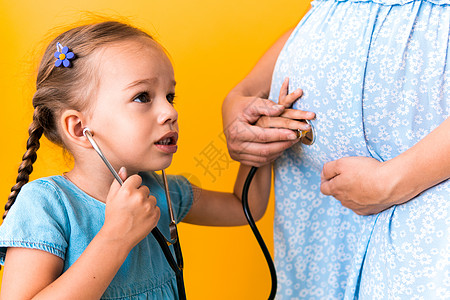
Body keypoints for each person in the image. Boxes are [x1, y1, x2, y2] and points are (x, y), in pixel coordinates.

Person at [0, 20, 304, 299]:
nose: (170, 112)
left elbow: (244, 207)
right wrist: (115, 238)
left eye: (170, 96)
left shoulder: (162, 194)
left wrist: (260, 145)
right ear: (80, 128)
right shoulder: (46, 206)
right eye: (143, 97)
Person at [223, 0, 450, 299]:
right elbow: (329, 12)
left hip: (427, 181)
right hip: (317, 197)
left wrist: (390, 181)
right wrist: (242, 93)